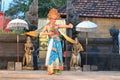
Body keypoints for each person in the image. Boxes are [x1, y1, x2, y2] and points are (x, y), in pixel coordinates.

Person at [41, 8, 73, 75]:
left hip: (58, 42)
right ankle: (50, 70)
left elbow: (63, 26)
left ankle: (57, 70)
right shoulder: (47, 26)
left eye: (55, 19)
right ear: (50, 18)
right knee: (52, 55)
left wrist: (69, 26)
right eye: (53, 19)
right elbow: (42, 33)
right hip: (52, 42)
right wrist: (49, 34)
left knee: (58, 55)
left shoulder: (56, 26)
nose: (54, 20)